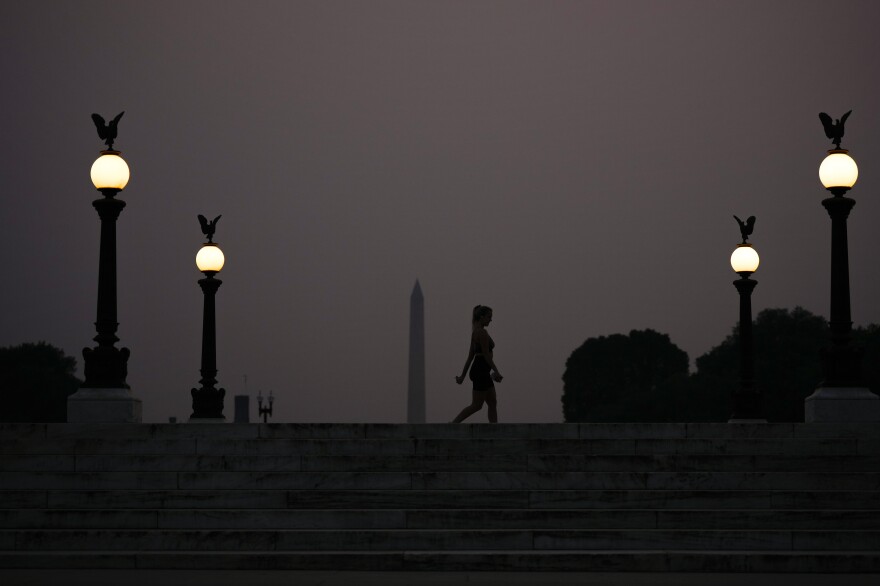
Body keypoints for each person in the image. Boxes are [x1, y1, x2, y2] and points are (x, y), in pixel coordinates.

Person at [452, 305, 503, 423]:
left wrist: (462, 377)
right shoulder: (482, 333)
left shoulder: (475, 332)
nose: (491, 319)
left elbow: (470, 357)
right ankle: (454, 424)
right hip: (481, 370)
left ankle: (494, 429)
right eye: (489, 317)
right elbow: (486, 355)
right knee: (477, 405)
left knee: (492, 402)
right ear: (481, 317)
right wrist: (496, 371)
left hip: (482, 370)